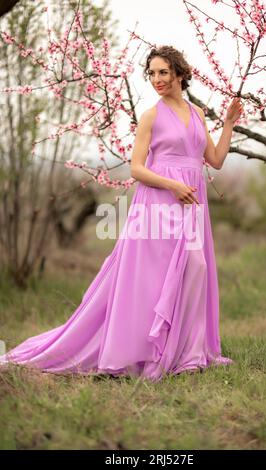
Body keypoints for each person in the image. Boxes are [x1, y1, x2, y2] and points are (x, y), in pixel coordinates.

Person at [0, 45, 243, 382]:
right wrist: (172, 185)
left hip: (192, 203)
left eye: (163, 72)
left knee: (195, 269)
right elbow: (137, 169)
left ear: (180, 74)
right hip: (159, 202)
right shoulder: (151, 116)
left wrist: (229, 123)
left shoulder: (198, 114)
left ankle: (187, 352)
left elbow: (214, 159)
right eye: (152, 73)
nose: (157, 79)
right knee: (154, 281)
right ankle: (147, 351)